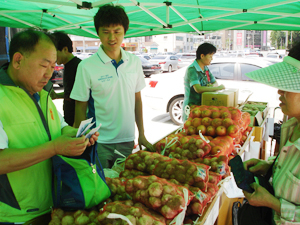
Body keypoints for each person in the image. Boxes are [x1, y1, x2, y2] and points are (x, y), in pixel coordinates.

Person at [0, 29, 99, 224]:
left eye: (53, 66)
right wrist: (55, 147)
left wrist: (78, 135)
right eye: (44, 65)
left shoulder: (42, 94)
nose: (49, 74)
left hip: (51, 205)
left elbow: (60, 127)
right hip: (15, 216)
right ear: (18, 60)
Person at [70, 4, 154, 169]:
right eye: (106, 32)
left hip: (127, 140)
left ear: (125, 32)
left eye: (117, 32)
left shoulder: (134, 62)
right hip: (98, 141)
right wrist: (81, 139)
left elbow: (137, 100)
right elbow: (80, 106)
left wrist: (141, 134)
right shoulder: (86, 66)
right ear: (98, 33)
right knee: (102, 187)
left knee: (124, 187)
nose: (112, 38)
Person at [242, 42, 300, 224]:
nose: (279, 91)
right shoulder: (291, 125)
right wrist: (270, 166)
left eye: (288, 86)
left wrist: (273, 203)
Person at [182, 43, 225, 122]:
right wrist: (216, 88)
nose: (212, 59)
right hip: (191, 109)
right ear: (202, 56)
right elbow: (198, 89)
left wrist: (212, 86)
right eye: (210, 56)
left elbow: (215, 82)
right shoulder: (192, 69)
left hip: (202, 108)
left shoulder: (206, 69)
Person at [50, 31, 82, 126]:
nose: (53, 57)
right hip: (69, 118)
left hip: (76, 121)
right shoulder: (67, 66)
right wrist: (56, 96)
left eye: (54, 53)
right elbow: (71, 93)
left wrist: (77, 124)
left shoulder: (78, 66)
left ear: (64, 49)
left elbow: (81, 97)